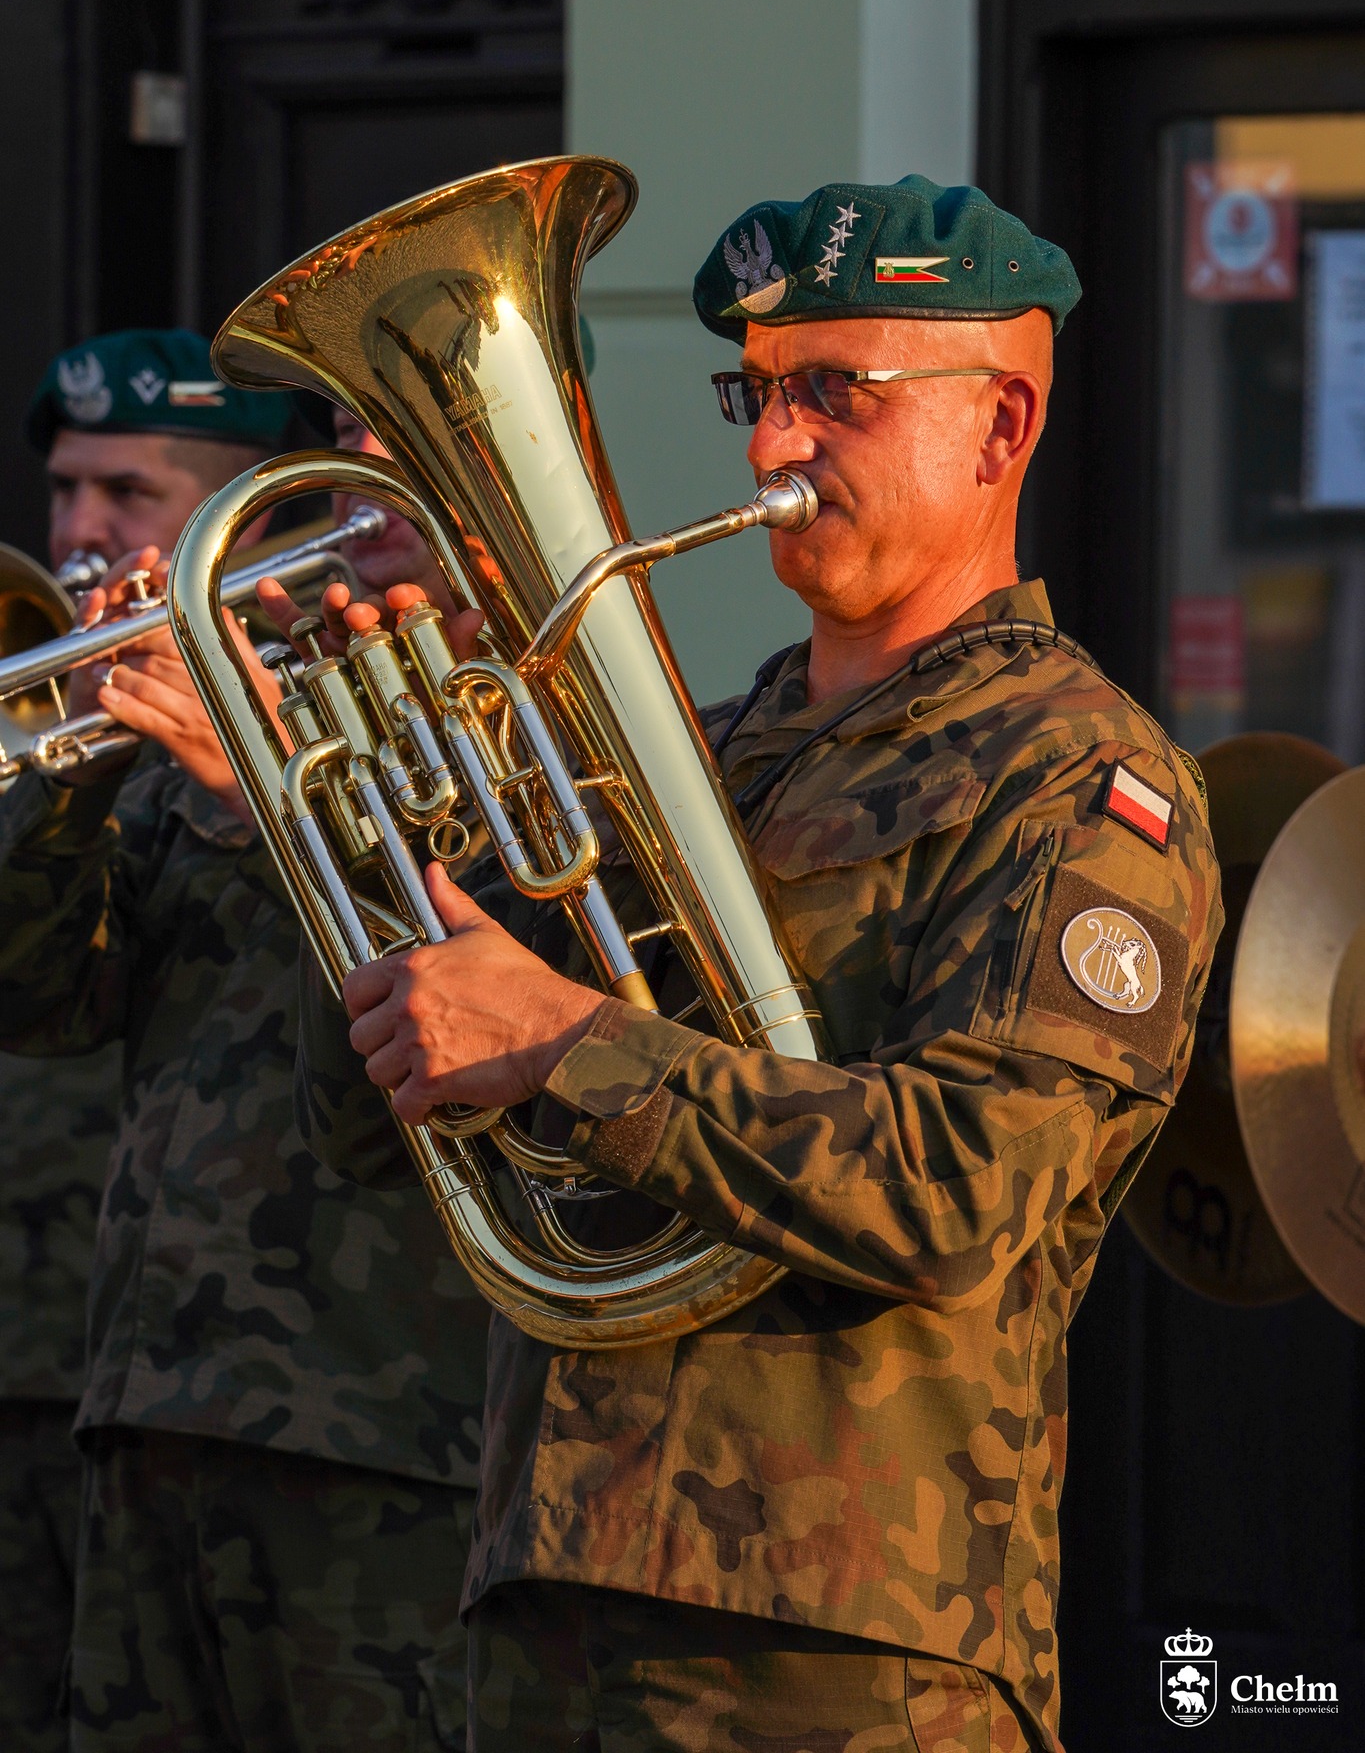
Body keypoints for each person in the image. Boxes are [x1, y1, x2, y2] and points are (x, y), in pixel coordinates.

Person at [294, 174, 1222, 1753]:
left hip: (838, 1638)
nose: (770, 444)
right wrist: (349, 834)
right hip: (549, 1582)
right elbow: (366, 1135)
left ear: (998, 427)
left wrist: (571, 1043)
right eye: (759, 392)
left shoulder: (1077, 777)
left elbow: (962, 1188)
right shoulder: (695, 749)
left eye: (835, 394)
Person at [0, 364, 489, 1753]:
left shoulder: (565, 718)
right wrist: (83, 763)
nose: (360, 477)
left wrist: (265, 788)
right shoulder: (256, 696)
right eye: (345, 439)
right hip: (148, 1407)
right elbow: (41, 1000)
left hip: (388, 1432)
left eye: (404, 442)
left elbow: (476, 1020)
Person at [0, 328, 294, 1751]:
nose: (79, 530)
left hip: (231, 1385)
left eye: (128, 493)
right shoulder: (51, 698)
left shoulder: (315, 707)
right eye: (66, 489)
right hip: (85, 1363)